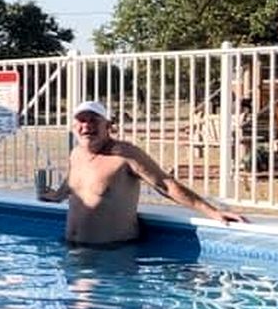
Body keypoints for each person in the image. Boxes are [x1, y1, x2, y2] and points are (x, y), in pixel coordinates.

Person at [38, 99, 248, 247]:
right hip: (73, 251)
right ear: (74, 126)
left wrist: (212, 211)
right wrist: (56, 195)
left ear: (108, 126)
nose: (87, 126)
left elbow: (166, 185)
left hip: (112, 255)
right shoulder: (77, 154)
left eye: (94, 121)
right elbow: (74, 184)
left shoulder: (126, 154)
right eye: (81, 121)